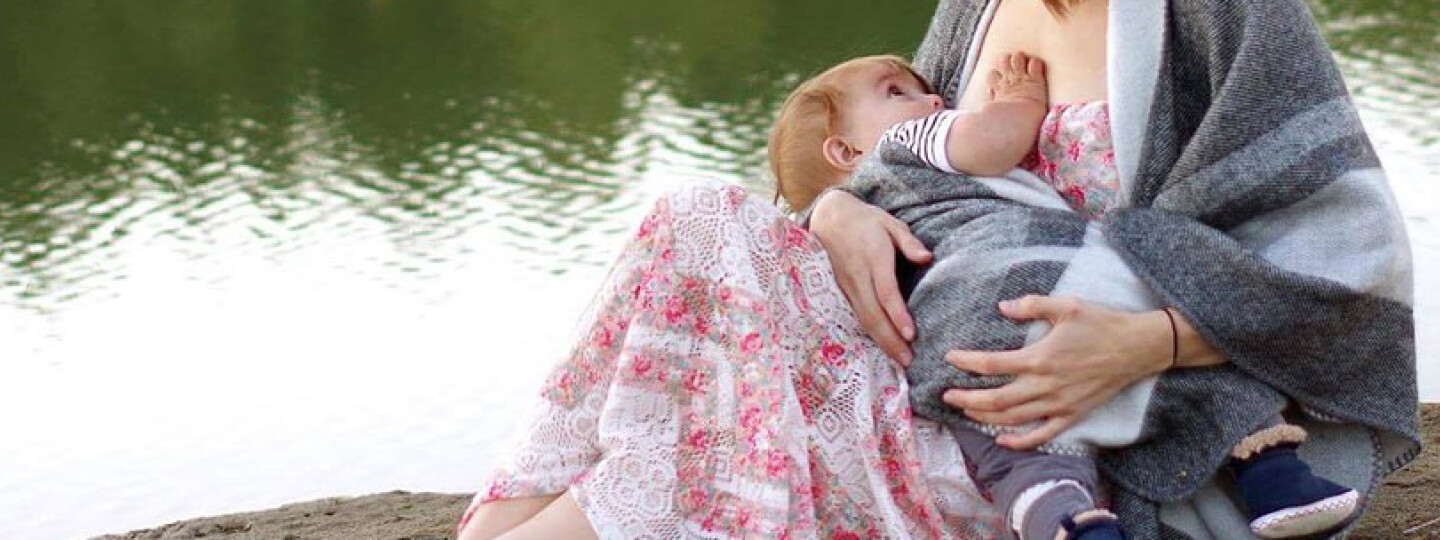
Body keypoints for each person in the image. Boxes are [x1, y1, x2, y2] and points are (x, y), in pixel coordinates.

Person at [457, 0, 1417, 538]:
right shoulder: (975, 12)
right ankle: (508, 518)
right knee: (698, 219)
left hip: (1089, 434)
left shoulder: (1221, 16)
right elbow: (902, 168)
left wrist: (1148, 343)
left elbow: (1355, 265)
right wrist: (837, 212)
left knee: (713, 437)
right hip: (942, 364)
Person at [772, 49, 1360, 539]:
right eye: (897, 92)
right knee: (1185, 374)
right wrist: (1018, 102)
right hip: (1032, 278)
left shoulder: (859, 226)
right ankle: (1277, 481)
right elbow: (991, 142)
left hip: (953, 347)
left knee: (1014, 447)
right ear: (845, 152)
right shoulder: (906, 141)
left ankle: (1070, 523)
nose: (932, 100)